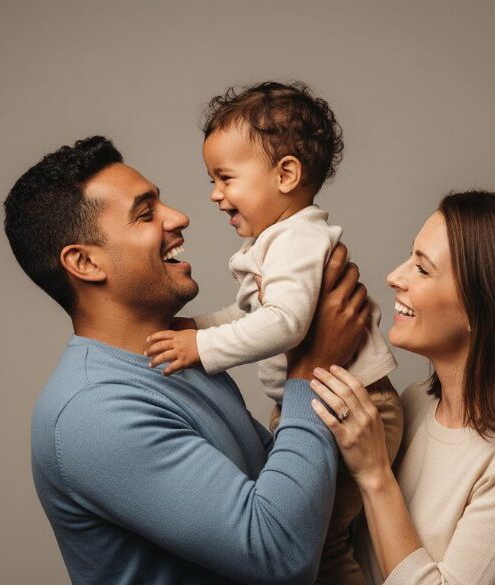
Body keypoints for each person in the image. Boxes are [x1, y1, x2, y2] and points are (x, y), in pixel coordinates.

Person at [2, 135, 373, 585]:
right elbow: (279, 555)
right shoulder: (93, 413)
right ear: (84, 262)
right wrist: (311, 369)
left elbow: (277, 486)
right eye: (145, 214)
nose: (179, 218)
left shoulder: (176, 359)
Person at [145, 81, 403, 585]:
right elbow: (258, 317)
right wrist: (197, 326)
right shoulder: (277, 240)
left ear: (286, 174)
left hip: (355, 405)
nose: (215, 195)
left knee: (321, 548)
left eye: (225, 178)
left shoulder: (297, 238)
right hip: (318, 403)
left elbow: (284, 325)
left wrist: (202, 345)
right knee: (322, 538)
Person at [309, 191, 495, 585]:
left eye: (423, 269)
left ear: (486, 309)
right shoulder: (410, 406)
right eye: (409, 258)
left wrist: (375, 474)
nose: (395, 277)